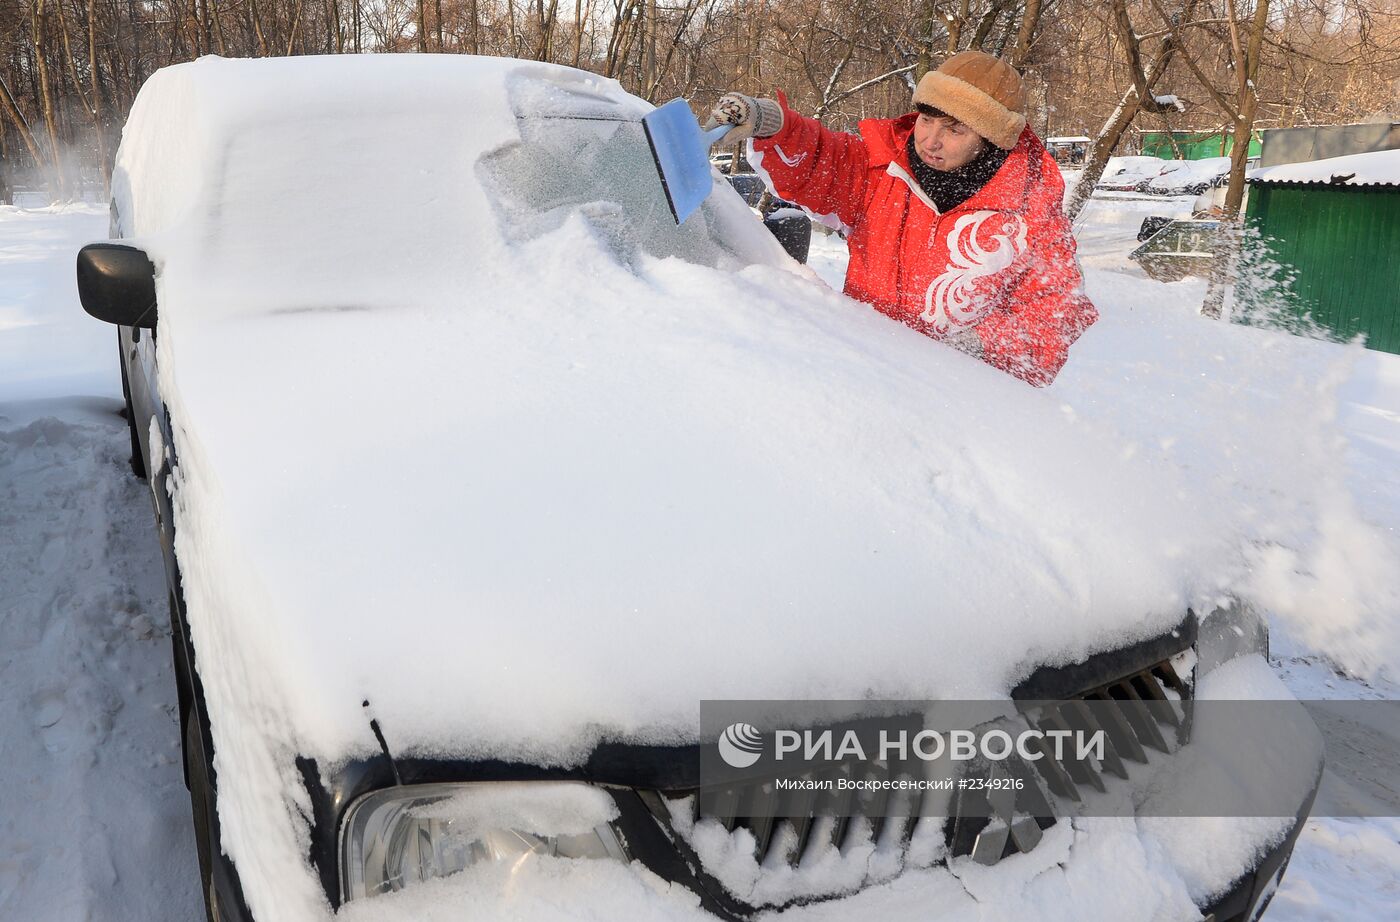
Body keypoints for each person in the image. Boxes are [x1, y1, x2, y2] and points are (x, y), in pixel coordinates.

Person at [706, 51, 1097, 387]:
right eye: (926, 119)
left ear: (991, 137)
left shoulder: (1030, 214)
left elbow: (1056, 311)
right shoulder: (881, 170)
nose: (930, 140)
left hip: (953, 401)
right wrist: (773, 124)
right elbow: (823, 158)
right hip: (860, 372)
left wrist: (982, 345)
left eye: (954, 129)